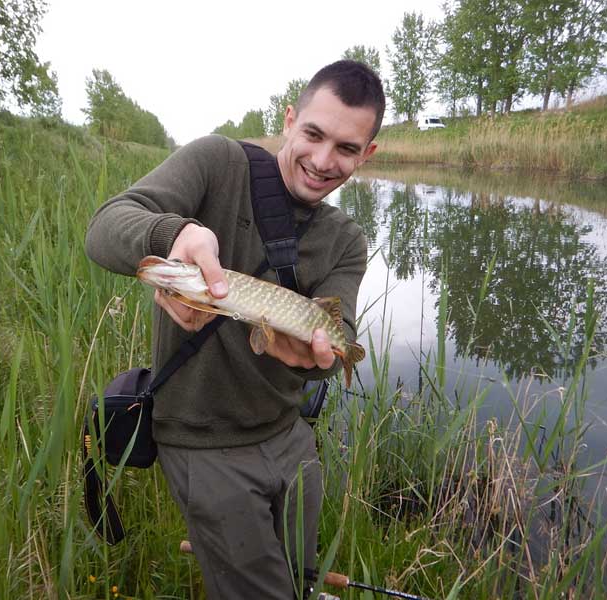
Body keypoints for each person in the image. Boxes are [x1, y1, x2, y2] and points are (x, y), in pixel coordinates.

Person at [85, 59, 385, 599]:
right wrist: (172, 234)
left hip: (291, 440)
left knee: (298, 577)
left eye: (346, 148)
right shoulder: (217, 163)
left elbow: (333, 334)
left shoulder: (346, 240)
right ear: (289, 119)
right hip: (204, 445)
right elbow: (106, 226)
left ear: (368, 154)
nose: (322, 161)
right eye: (313, 134)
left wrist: (317, 360)